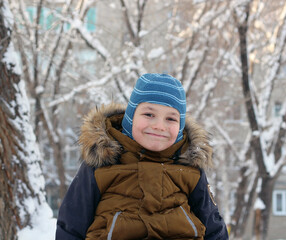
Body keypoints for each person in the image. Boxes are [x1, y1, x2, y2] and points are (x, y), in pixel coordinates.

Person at [55, 73, 228, 240]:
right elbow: (72, 223)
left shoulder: (190, 170)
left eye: (171, 119)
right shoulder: (102, 164)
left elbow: (214, 228)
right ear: (130, 118)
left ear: (181, 126)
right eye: (149, 114)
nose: (159, 126)